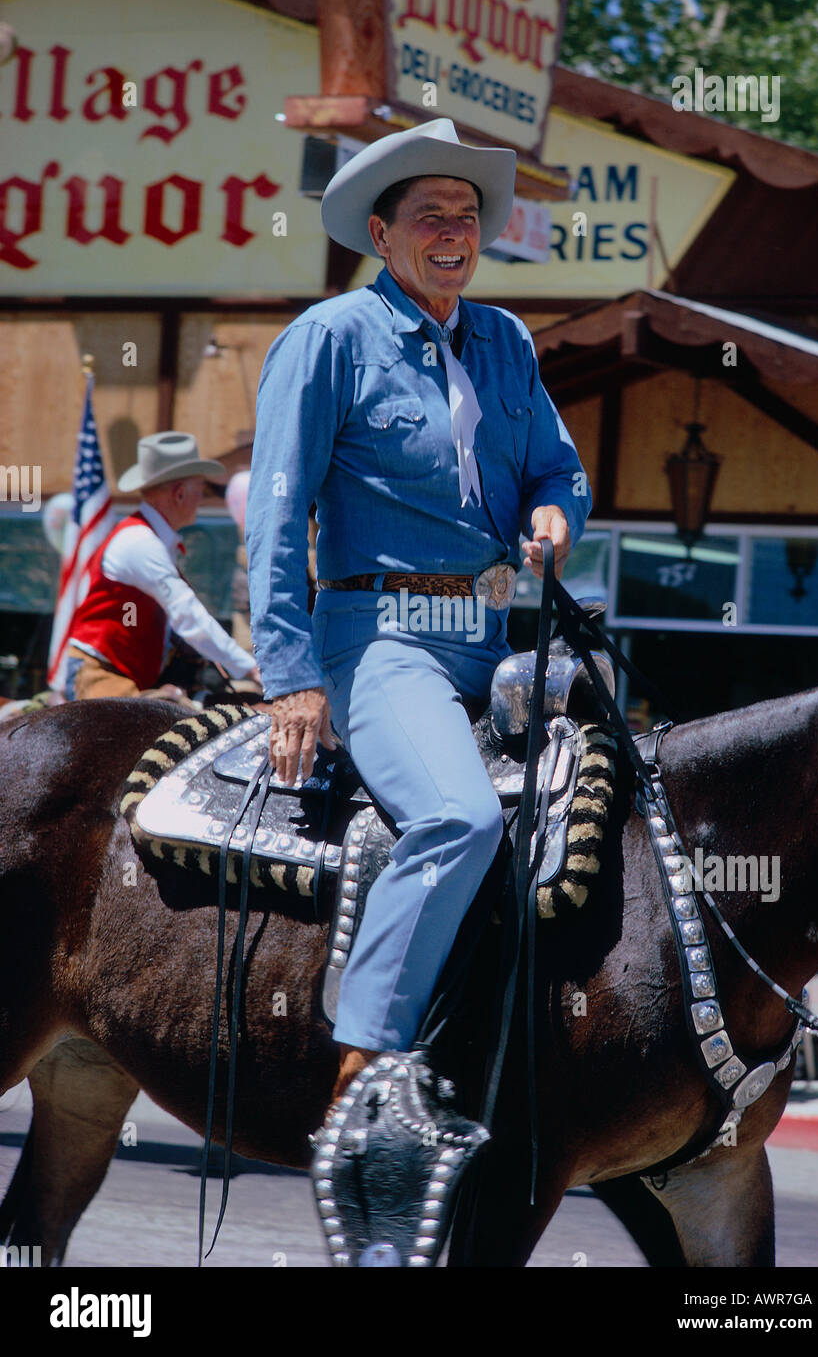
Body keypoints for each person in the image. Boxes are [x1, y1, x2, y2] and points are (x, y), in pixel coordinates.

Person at [247, 118, 592, 1109]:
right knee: (456, 815)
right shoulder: (328, 338)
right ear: (383, 234)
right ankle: (366, 1061)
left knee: (641, 797)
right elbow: (276, 510)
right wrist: (292, 677)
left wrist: (550, 515)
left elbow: (558, 471)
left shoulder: (506, 340)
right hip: (385, 633)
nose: (454, 233)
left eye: (468, 216)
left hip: (507, 618)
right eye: (431, 216)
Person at [66, 431, 260, 700]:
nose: (201, 499)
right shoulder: (140, 542)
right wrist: (249, 667)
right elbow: (188, 614)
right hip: (98, 676)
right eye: (199, 491)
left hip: (121, 676)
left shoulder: (150, 539)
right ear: (180, 494)